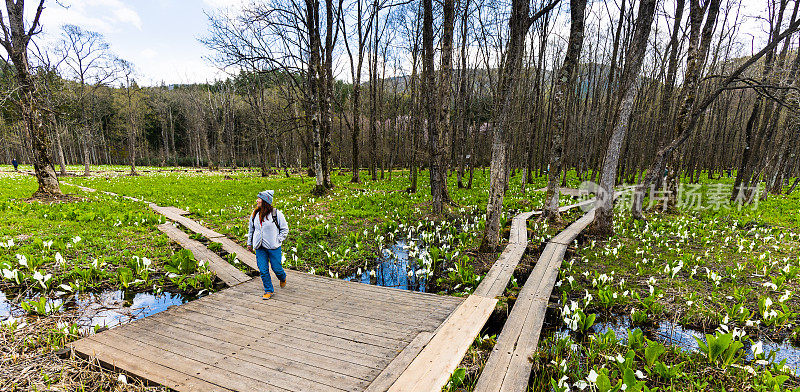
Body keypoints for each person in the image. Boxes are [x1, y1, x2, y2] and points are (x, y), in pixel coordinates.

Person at [246, 190, 289, 300]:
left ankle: (282, 277)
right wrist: (249, 243)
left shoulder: (276, 214)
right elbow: (251, 230)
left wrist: (278, 240)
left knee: (276, 268)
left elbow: (284, 229)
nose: (257, 200)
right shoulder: (255, 214)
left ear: (265, 201)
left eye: (259, 199)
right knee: (263, 270)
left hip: (273, 247)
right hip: (260, 247)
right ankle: (269, 290)